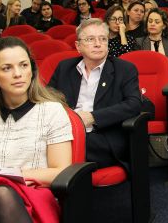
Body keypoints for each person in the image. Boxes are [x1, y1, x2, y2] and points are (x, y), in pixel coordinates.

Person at [0, 37, 72, 222]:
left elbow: (60, 171)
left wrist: (9, 175)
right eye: (7, 68)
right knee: (0, 193)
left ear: (32, 70)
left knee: (3, 194)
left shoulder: (52, 112)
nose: (18, 74)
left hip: (34, 194)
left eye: (24, 65)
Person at [48, 19, 142, 168]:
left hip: (103, 136)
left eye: (103, 39)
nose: (98, 44)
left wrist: (93, 117)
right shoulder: (65, 67)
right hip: (64, 132)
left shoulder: (124, 69)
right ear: (78, 46)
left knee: (65, 147)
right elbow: (47, 100)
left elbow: (134, 104)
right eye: (90, 39)